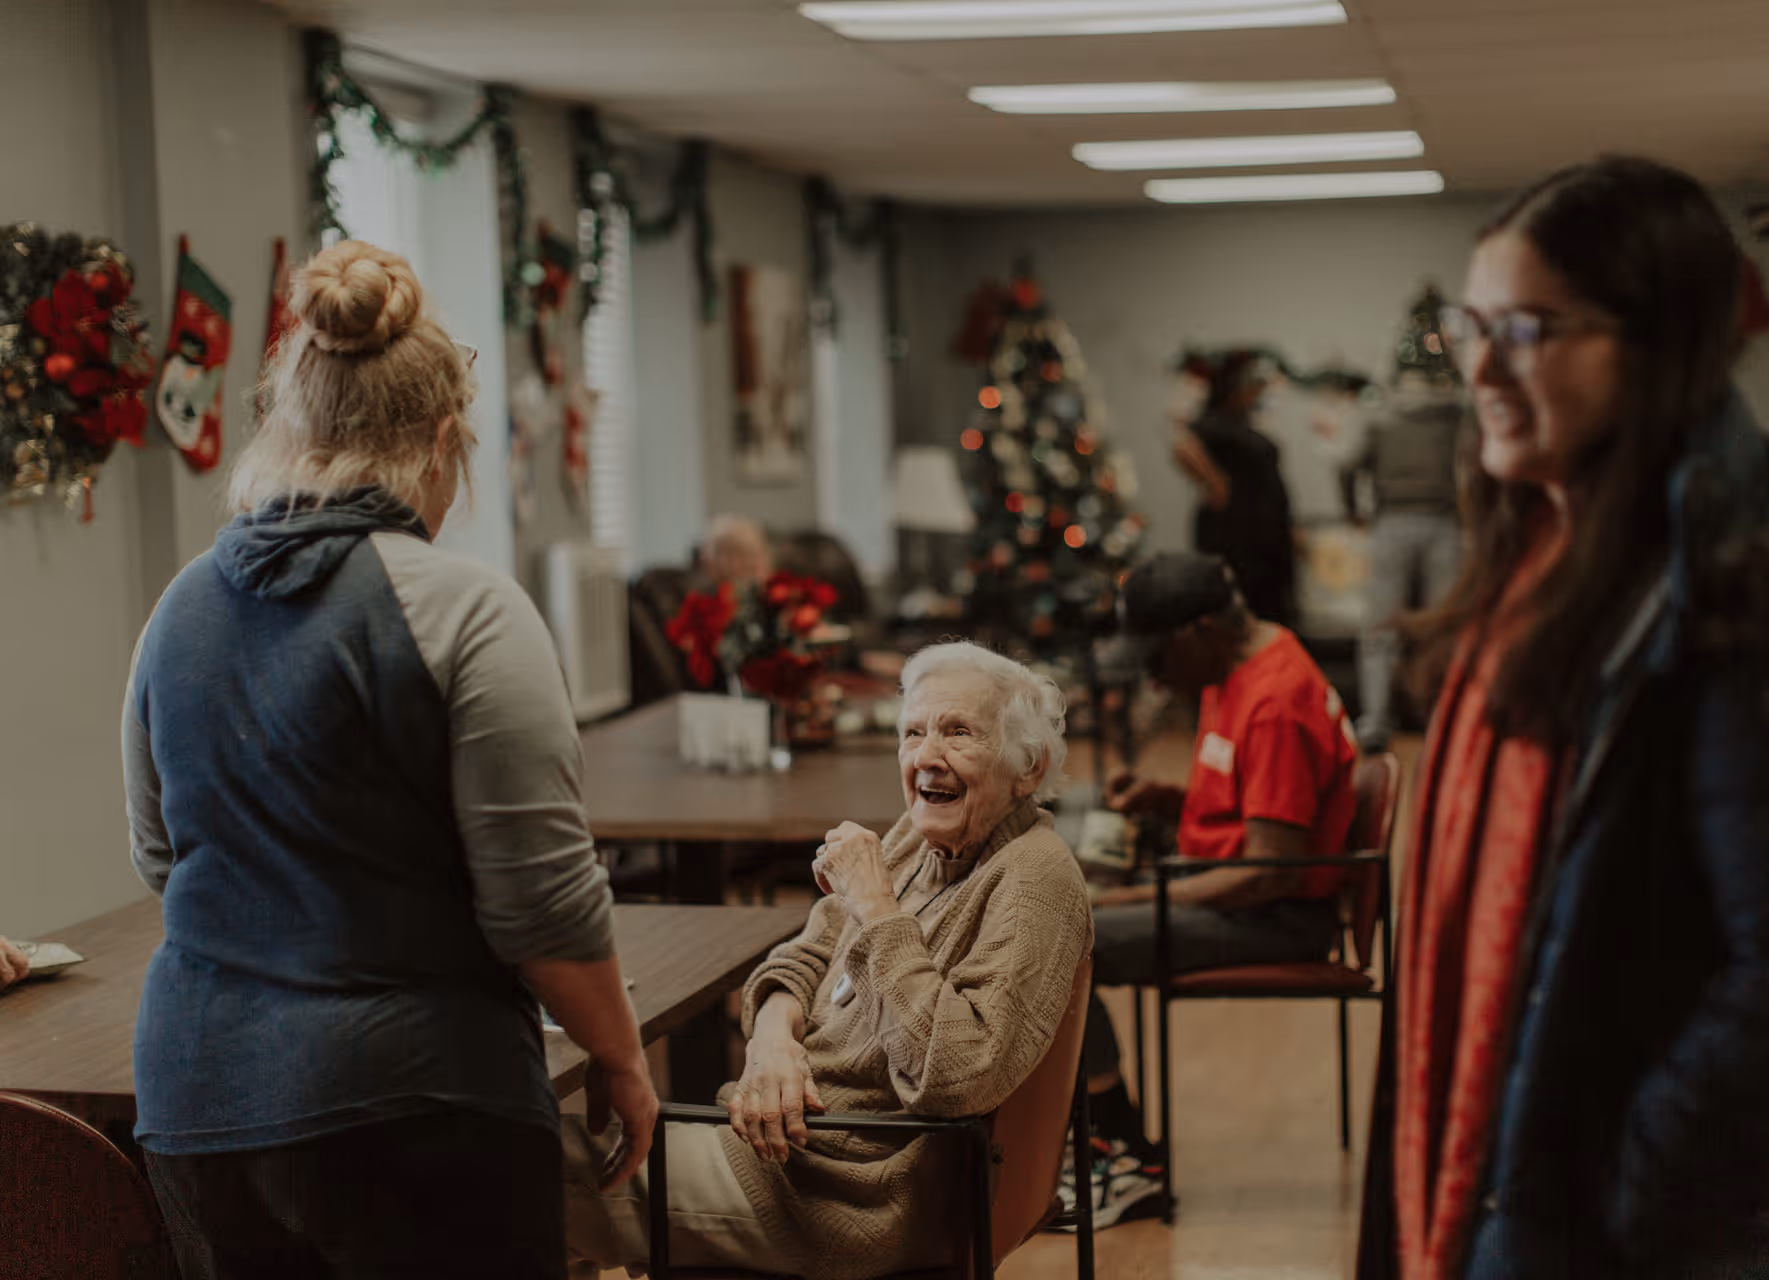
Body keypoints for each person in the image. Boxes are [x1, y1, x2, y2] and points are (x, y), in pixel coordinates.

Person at [1358, 157, 1769, 1279]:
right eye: (1477, 322)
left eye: (1526, 327)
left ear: (1655, 341)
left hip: (1718, 1235)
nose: (1480, 366)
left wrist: (1623, 1192)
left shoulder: (1756, 578)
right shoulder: (1548, 549)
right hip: (1539, 1178)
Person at [121, 241, 658, 1279]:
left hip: (197, 1103)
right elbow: (542, 910)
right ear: (443, 439)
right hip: (416, 1105)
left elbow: (162, 853)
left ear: (290, 428)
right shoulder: (464, 607)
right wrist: (624, 1056)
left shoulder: (177, 608)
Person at [564, 642, 1092, 1280]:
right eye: (913, 732)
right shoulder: (916, 837)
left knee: (518, 1166)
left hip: (849, 1193)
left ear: (1028, 767)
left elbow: (957, 1078)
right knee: (531, 1166)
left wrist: (875, 907)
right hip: (789, 1150)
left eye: (959, 733)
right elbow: (805, 951)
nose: (927, 756)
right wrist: (770, 1041)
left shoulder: (1034, 881)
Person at [1064, 551, 1359, 1229]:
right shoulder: (1239, 665)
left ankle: (1126, 1158)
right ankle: (1090, 1139)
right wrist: (1169, 800)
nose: (1150, 672)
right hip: (1233, 884)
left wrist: (1128, 901)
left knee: (1071, 941)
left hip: (1279, 914)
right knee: (1066, 863)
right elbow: (1256, 802)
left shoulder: (1276, 701)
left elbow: (1267, 870)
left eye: (1156, 653)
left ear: (1200, 631)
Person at [1340, 367, 1469, 752]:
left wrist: (1352, 512)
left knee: (1381, 629)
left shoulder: (1380, 415)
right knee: (1442, 628)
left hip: (1391, 523)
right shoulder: (1455, 414)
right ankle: (1443, 720)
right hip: (1444, 525)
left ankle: (1376, 723)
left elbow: (1347, 465)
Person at [1173, 351, 1299, 626]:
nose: (1256, 393)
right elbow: (1182, 446)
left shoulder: (1244, 424)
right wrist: (1217, 485)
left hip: (1266, 534)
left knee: (1271, 609)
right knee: (1238, 610)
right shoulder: (1215, 422)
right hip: (1235, 536)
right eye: (1250, 386)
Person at [700, 512, 774, 591]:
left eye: (755, 554)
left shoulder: (778, 593)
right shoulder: (703, 599)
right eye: (740, 554)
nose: (750, 562)